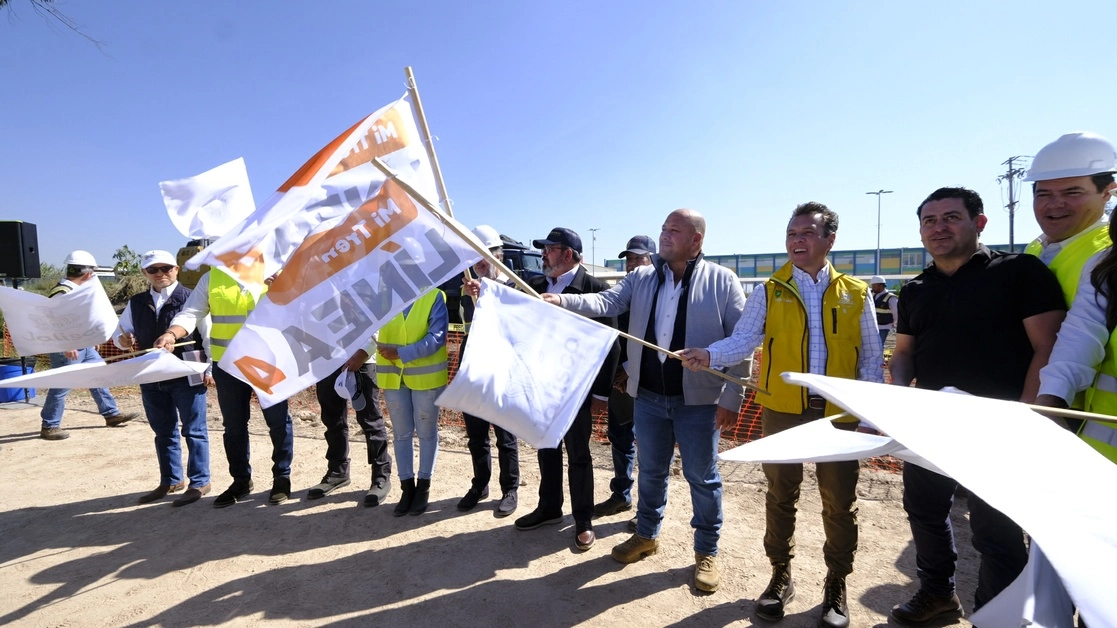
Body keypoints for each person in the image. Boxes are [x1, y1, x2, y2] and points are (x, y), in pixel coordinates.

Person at [679, 202, 883, 628]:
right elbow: (743, 340)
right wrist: (709, 354)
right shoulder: (769, 291)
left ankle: (836, 584)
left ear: (830, 239)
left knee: (840, 504)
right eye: (792, 233)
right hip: (782, 411)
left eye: (807, 233)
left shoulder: (856, 293)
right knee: (779, 496)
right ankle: (779, 577)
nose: (797, 241)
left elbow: (869, 359)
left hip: (839, 418)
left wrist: (869, 416)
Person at [888, 187, 1065, 625]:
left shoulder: (1019, 272)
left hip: (1000, 428)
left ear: (979, 222)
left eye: (950, 217)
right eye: (929, 221)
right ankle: (937, 595)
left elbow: (1047, 347)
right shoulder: (915, 289)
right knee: (925, 511)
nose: (938, 228)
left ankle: (997, 618)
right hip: (930, 425)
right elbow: (904, 352)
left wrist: (1028, 416)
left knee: (995, 531)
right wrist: (898, 397)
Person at [543, 211, 745, 592]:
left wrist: (732, 397)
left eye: (674, 231)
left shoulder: (723, 281)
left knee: (702, 478)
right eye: (663, 229)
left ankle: (706, 551)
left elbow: (742, 342)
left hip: (699, 403)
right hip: (649, 399)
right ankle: (647, 535)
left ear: (697, 240)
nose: (664, 235)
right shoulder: (640, 278)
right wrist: (562, 301)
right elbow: (606, 301)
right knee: (650, 472)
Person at [155, 267, 296, 508]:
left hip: (267, 361)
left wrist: (282, 292)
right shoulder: (212, 277)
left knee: (278, 421)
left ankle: (282, 478)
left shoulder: (276, 271)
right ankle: (241, 481)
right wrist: (171, 333)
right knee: (234, 426)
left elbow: (296, 311)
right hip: (228, 364)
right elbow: (192, 312)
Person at [515, 227, 619, 553]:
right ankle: (549, 507)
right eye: (544, 249)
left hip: (577, 390)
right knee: (546, 447)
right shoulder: (535, 286)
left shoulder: (595, 289)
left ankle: (583, 519)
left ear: (568, 254)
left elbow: (611, 345)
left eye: (550, 249)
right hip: (543, 386)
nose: (543, 255)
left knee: (578, 454)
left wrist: (601, 393)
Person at [1025, 131, 1116, 422]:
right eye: (1044, 194)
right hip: (1036, 405)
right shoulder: (1035, 249)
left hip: (1080, 416)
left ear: (1107, 192)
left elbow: (1083, 332)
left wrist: (1048, 401)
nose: (1055, 204)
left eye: (1071, 193)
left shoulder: (1107, 253)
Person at [113, 250, 211, 506]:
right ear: (145, 273)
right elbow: (120, 335)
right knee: (163, 430)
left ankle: (200, 481)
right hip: (151, 374)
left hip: (186, 372)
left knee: (194, 430)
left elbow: (207, 336)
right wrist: (123, 341)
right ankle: (171, 480)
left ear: (176, 269)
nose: (160, 274)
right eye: (153, 269)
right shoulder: (136, 302)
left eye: (166, 268)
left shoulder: (191, 297)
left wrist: (210, 369)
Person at [39, 250, 138, 440]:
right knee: (62, 385)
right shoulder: (62, 293)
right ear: (87, 274)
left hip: (84, 346)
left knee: (98, 377)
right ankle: (49, 425)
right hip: (68, 348)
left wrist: (90, 340)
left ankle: (111, 414)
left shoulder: (73, 290)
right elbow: (52, 322)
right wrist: (66, 345)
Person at [457, 225, 520, 517]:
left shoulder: (516, 286)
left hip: (503, 371)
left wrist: (488, 295)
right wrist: (472, 296)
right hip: (474, 369)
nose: (479, 264)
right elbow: (465, 328)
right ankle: (480, 484)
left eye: (484, 257)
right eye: (475, 258)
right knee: (476, 435)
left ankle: (510, 488)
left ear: (498, 256)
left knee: (505, 435)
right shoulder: (468, 288)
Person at [593, 235, 656, 521]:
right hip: (621, 382)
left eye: (638, 258)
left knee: (651, 447)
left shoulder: (662, 295)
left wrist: (629, 368)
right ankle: (621, 495)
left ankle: (648, 510)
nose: (632, 264)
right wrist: (617, 372)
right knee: (620, 437)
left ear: (652, 260)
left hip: (651, 382)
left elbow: (658, 341)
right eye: (629, 259)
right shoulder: (622, 293)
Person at [376, 288, 449, 517]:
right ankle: (407, 488)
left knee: (426, 434)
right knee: (401, 435)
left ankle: (423, 487)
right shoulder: (384, 297)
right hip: (393, 377)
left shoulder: (434, 296)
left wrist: (401, 353)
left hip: (426, 380)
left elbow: (437, 338)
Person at [309, 339, 393, 507]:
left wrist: (363, 353)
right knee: (332, 420)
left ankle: (381, 477)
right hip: (327, 362)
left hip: (362, 362)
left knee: (370, 421)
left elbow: (377, 326)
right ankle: (337, 472)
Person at [870, 275, 898, 346]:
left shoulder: (891, 298)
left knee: (879, 346)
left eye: (874, 286)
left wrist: (895, 325)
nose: (872, 288)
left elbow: (896, 313)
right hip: (874, 327)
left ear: (881, 286)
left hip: (885, 327)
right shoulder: (872, 295)